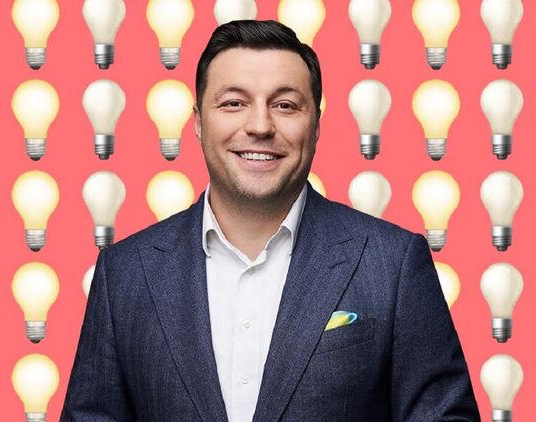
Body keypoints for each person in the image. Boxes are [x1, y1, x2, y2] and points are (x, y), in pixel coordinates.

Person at [61, 20, 480, 422]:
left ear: (315, 124)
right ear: (199, 122)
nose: (260, 126)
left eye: (285, 105)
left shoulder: (393, 265)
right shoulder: (125, 273)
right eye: (233, 103)